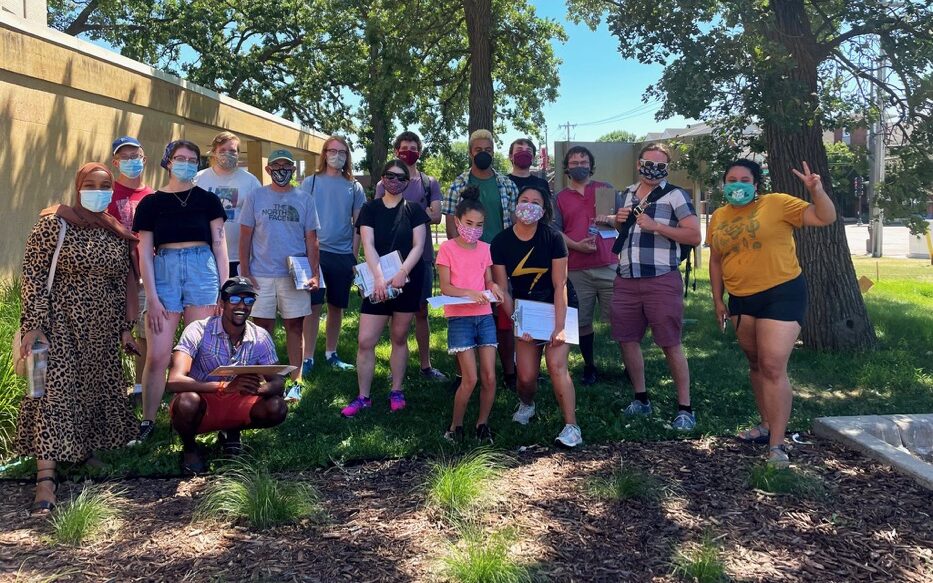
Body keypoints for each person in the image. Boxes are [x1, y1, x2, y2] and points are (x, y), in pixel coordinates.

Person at [16, 163, 139, 515]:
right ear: (77, 186)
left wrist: (124, 328)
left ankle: (83, 451)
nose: (98, 190)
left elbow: (119, 286)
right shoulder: (54, 223)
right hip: (60, 323)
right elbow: (34, 275)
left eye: (105, 185)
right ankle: (46, 478)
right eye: (90, 184)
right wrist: (35, 324)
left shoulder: (114, 230)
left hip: (101, 329)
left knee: (90, 389)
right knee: (55, 391)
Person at [708, 159, 836, 467]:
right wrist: (718, 300)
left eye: (743, 179)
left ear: (755, 184)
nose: (736, 184)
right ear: (724, 184)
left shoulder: (777, 204)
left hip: (781, 293)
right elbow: (715, 259)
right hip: (740, 298)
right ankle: (766, 426)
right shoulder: (719, 216)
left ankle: (778, 445)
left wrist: (816, 189)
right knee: (755, 363)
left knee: (772, 365)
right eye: (731, 179)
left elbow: (825, 216)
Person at [131, 140, 229, 445]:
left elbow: (220, 246)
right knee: (158, 354)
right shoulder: (150, 203)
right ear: (168, 162)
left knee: (204, 351)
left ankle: (209, 416)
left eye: (192, 158)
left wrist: (223, 291)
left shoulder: (209, 201)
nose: (186, 162)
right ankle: (148, 420)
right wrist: (154, 298)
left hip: (203, 272)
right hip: (165, 274)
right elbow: (145, 253)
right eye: (179, 158)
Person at [612, 143, 701, 431]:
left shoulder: (676, 195)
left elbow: (694, 236)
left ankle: (685, 408)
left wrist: (658, 227)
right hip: (626, 278)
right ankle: (641, 398)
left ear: (668, 167)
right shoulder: (626, 193)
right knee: (627, 340)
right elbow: (625, 232)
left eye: (660, 165)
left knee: (670, 343)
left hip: (661, 278)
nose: (653, 168)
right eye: (649, 162)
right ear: (639, 164)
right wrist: (618, 221)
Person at [492, 186, 583, 449]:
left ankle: (571, 426)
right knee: (526, 377)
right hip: (525, 309)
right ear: (515, 204)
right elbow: (503, 289)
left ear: (543, 211)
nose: (528, 205)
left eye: (535, 202)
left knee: (556, 366)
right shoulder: (500, 242)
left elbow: (560, 285)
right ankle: (527, 404)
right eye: (524, 200)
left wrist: (559, 327)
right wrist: (517, 324)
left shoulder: (553, 237)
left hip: (557, 305)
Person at [166, 277, 287, 473]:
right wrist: (223, 386)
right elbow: (174, 380)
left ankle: (232, 430)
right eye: (234, 300)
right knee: (187, 402)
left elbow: (278, 383)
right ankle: (190, 447)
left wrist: (260, 388)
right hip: (203, 401)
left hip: (238, 400)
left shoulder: (260, 336)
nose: (242, 306)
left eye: (248, 301)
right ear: (222, 303)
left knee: (277, 407)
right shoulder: (198, 330)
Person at [341, 159, 430, 417]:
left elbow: (418, 246)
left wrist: (402, 272)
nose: (395, 181)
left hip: (406, 281)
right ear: (382, 178)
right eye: (390, 176)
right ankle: (363, 397)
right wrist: (379, 278)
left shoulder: (415, 210)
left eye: (401, 178)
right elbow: (367, 244)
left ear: (407, 182)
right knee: (365, 341)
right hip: (376, 282)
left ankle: (397, 390)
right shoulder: (370, 209)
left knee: (399, 337)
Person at [442, 129, 519, 390]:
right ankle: (463, 374)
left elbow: (516, 221)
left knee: (503, 311)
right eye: (478, 150)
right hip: (467, 260)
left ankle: (509, 370)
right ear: (470, 152)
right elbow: (451, 223)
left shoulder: (507, 184)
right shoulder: (458, 184)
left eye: (488, 150)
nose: (483, 154)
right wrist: (455, 254)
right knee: (462, 312)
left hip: (500, 257)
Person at [239, 149, 320, 385]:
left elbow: (312, 239)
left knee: (295, 327)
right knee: (262, 329)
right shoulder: (255, 197)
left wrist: (314, 274)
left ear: (293, 170)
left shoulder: (305, 199)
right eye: (276, 166)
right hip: (260, 274)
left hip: (295, 275)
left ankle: (296, 378)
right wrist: (245, 271)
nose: (281, 171)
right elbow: (245, 236)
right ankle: (266, 378)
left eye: (286, 166)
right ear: (268, 170)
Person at [375, 131, 447, 381]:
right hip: (390, 259)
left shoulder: (429, 182)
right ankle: (394, 363)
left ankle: (426, 365)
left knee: (421, 312)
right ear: (396, 151)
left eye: (413, 147)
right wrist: (419, 212)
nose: (409, 151)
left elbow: (437, 216)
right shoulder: (383, 184)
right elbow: (379, 216)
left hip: (422, 257)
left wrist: (405, 213)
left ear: (420, 150)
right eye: (404, 147)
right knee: (390, 311)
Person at [436, 186, 504, 443]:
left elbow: (488, 281)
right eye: (469, 223)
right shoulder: (447, 249)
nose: (474, 229)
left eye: (479, 224)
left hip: (484, 315)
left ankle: (482, 423)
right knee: (470, 378)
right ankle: (455, 426)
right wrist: (468, 293)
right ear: (457, 221)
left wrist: (494, 287)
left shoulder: (485, 249)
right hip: (460, 318)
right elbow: (446, 287)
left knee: (489, 375)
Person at [300, 135, 366, 374]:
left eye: (342, 152)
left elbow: (359, 225)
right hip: (315, 254)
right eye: (332, 151)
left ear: (347, 156)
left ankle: (331, 352)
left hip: (342, 255)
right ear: (324, 154)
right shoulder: (311, 183)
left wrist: (353, 255)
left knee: (336, 306)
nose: (336, 156)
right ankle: (307, 357)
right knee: (313, 306)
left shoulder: (354, 186)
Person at [554, 146, 618, 385]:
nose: (579, 166)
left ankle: (629, 367)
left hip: (609, 263)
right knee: (582, 321)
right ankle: (589, 366)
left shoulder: (606, 190)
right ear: (566, 167)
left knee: (620, 319)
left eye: (583, 161)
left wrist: (612, 219)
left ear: (590, 165)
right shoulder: (559, 197)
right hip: (577, 268)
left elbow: (623, 222)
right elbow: (555, 231)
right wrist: (577, 245)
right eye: (573, 162)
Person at [108, 136, 155, 399]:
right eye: (124, 157)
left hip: (145, 276)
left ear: (144, 159)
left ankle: (141, 386)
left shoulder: (154, 196)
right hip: (114, 276)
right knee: (111, 331)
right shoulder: (106, 192)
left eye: (135, 156)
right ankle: (110, 389)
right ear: (115, 162)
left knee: (144, 332)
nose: (130, 161)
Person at [195, 131, 262, 277]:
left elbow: (260, 220)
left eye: (232, 151)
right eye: (222, 150)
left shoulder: (251, 182)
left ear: (238, 153)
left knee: (237, 299)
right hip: (205, 256)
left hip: (240, 259)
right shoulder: (198, 179)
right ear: (214, 153)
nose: (227, 154)